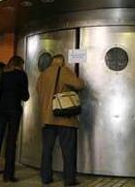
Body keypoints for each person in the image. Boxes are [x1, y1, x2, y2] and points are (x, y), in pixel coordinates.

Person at [36, 54, 84, 187]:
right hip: (64, 118)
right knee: (68, 149)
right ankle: (69, 179)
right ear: (62, 61)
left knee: (47, 149)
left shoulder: (43, 74)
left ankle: (46, 177)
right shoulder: (64, 71)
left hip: (47, 118)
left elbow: (38, 92)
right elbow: (79, 84)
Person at [0, 56, 29, 185]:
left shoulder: (1, 73)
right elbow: (25, 96)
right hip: (14, 111)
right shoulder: (21, 75)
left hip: (0, 111)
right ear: (19, 64)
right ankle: (8, 175)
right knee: (11, 143)